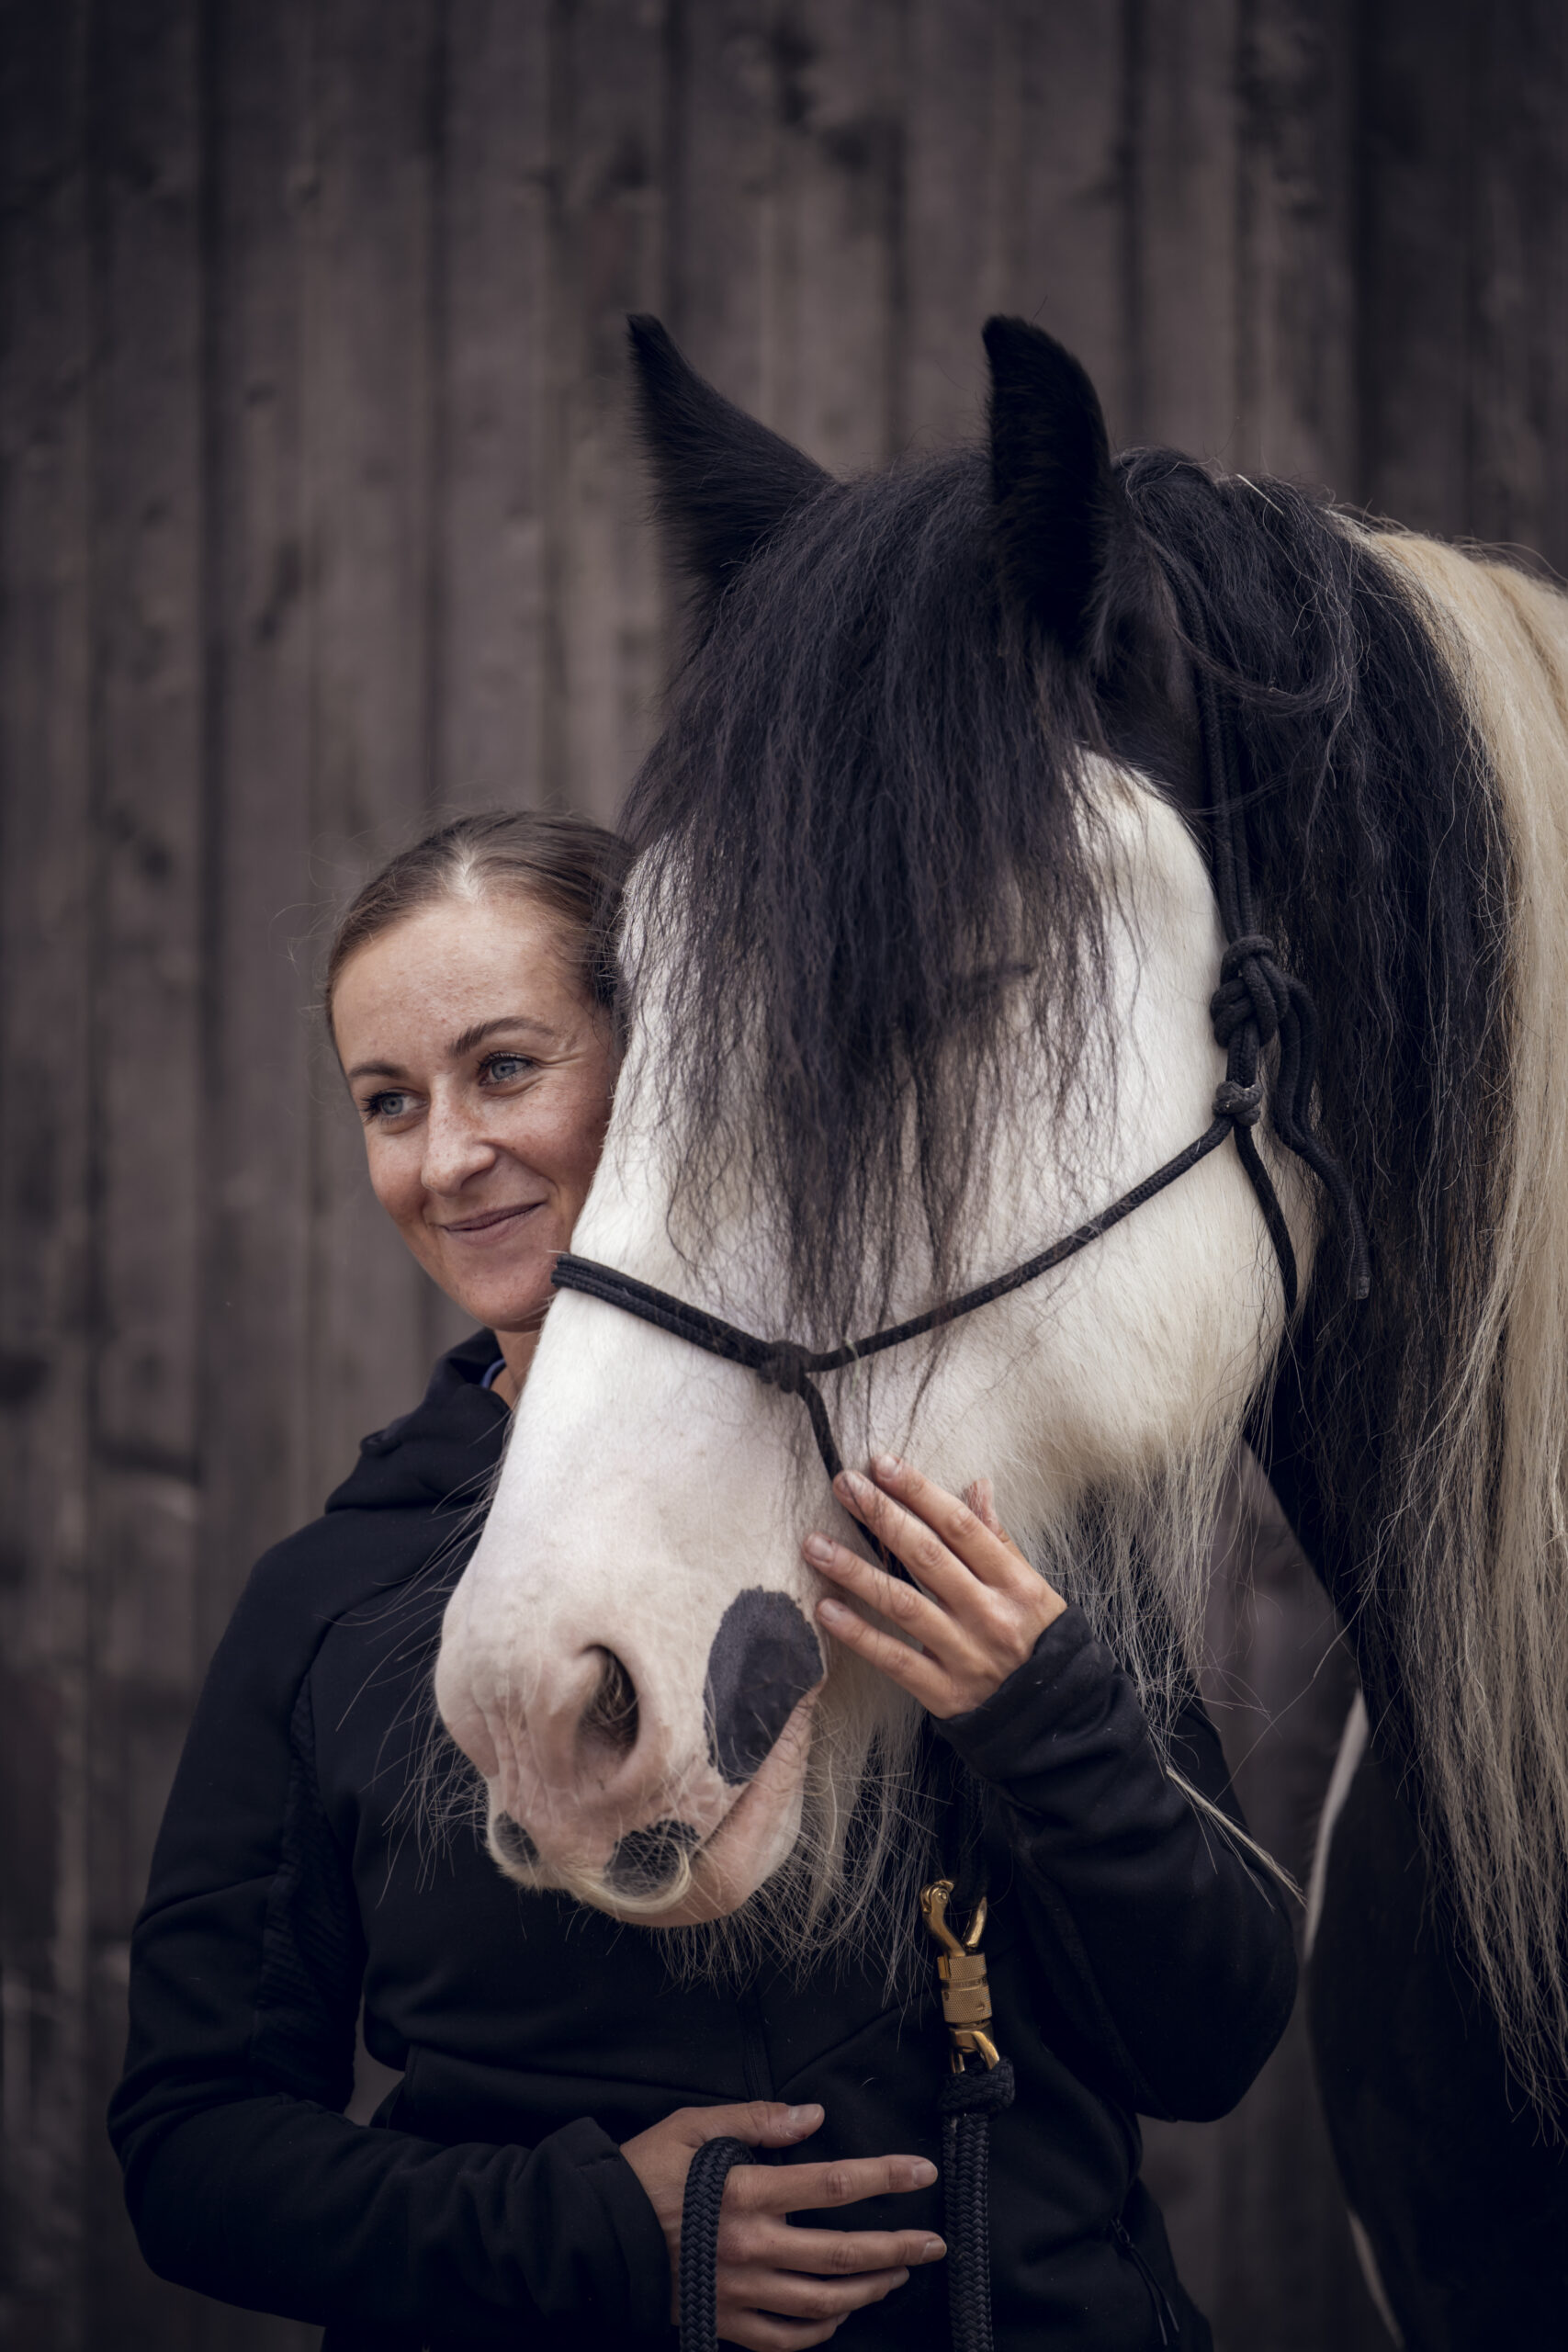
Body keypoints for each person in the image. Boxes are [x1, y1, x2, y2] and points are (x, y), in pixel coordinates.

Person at [110, 808, 1296, 2352]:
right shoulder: (323, 1603)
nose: (449, 1155)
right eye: (389, 1102)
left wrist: (1041, 1714)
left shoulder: (968, 1514)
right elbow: (193, 2151)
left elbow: (1208, 2044)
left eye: (508, 1068)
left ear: (679, 1055)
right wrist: (591, 2234)